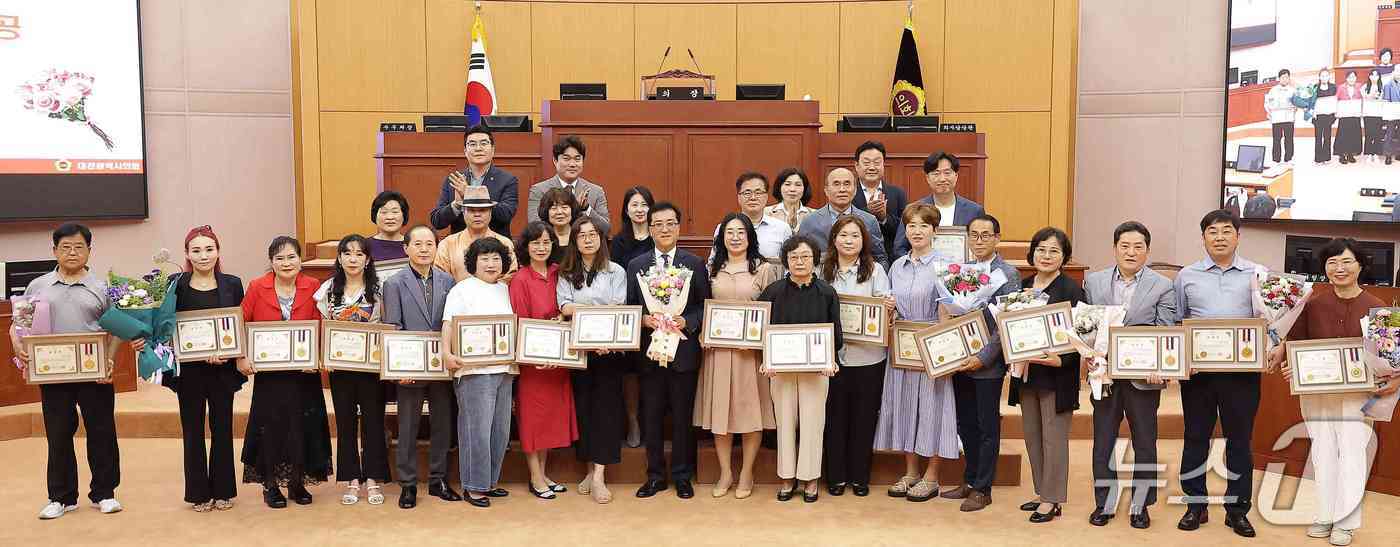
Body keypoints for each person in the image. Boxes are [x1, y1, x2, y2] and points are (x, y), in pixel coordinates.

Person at [1268, 238, 1394, 546]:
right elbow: (1296, 346)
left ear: (1361, 265)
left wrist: (1394, 378)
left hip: (1359, 397)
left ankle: (1346, 522)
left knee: (1352, 453)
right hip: (1317, 394)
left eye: (1346, 261)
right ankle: (1324, 514)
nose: (1339, 268)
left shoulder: (1379, 308)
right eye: (1332, 263)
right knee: (1322, 453)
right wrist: (1291, 365)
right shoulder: (1312, 305)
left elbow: (1391, 358)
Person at [11, 223, 127, 520]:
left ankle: (105, 493)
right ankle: (61, 497)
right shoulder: (38, 286)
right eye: (65, 247)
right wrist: (17, 345)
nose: (72, 252)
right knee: (58, 435)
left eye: (79, 247)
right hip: (54, 374)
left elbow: (116, 329)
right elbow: (20, 325)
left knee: (101, 432)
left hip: (94, 373)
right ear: (54, 251)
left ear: (89, 251)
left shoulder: (102, 288)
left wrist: (110, 361)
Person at [1082, 221, 1176, 530]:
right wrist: (1088, 354)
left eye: (1138, 247)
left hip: (1143, 378)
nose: (1131, 252)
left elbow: (1166, 330)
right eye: (1125, 246)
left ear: (1147, 251)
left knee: (1145, 441)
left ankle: (1140, 504)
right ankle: (1104, 503)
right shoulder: (1093, 282)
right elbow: (1087, 327)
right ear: (1115, 248)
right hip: (1104, 374)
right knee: (1103, 441)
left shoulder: (1162, 285)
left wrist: (1161, 366)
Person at [1174, 209, 1260, 538]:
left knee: (1239, 440)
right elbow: (1179, 321)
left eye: (1227, 230)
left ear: (1238, 236)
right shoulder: (1187, 276)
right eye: (1213, 231)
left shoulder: (1257, 274)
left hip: (1242, 374)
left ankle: (1237, 510)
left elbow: (1270, 321)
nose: (1220, 237)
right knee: (1195, 438)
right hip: (1199, 374)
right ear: (1204, 238)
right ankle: (1195, 505)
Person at [237, 236, 332, 508]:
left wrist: (318, 356)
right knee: (272, 426)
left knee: (303, 425)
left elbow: (322, 324)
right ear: (271, 262)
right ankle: (270, 484)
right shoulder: (257, 287)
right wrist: (242, 357)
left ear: (301, 259)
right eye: (279, 258)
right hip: (271, 375)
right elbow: (240, 323)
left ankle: (297, 481)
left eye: (291, 257)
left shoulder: (313, 286)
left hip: (304, 373)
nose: (286, 263)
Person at [625, 201, 712, 500]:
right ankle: (655, 476)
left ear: (678, 227)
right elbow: (628, 308)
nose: (664, 229)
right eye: (657, 224)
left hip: (683, 354)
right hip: (650, 354)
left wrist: (686, 320)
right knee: (651, 417)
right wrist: (642, 319)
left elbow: (704, 306)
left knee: (682, 417)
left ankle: (682, 475)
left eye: (669, 223)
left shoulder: (694, 264)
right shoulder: (637, 266)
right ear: (649, 229)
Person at [874, 204, 959, 502]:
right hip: (902, 348)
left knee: (933, 409)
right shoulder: (897, 266)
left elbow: (950, 311)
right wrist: (889, 312)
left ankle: (932, 476)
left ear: (935, 230)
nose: (917, 231)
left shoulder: (947, 265)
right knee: (905, 406)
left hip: (933, 346)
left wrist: (942, 348)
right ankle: (910, 471)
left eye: (924, 226)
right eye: (911, 226)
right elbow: (892, 307)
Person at [940, 213, 1020, 512]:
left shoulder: (1007, 274)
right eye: (974, 234)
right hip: (961, 360)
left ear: (998, 238)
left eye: (986, 235)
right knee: (966, 424)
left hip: (988, 363)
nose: (979, 240)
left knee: (987, 426)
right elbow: (956, 313)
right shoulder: (961, 271)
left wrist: (983, 357)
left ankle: (983, 488)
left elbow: (1005, 324)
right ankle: (970, 479)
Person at [698, 213, 780, 500]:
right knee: (720, 412)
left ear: (750, 237)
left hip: (750, 355)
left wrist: (759, 341)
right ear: (721, 237)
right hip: (718, 353)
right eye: (729, 232)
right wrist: (704, 335)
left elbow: (772, 312)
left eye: (740, 232)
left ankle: (746, 471)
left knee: (750, 413)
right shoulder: (712, 268)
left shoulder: (763, 269)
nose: (734, 237)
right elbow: (704, 307)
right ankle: (725, 472)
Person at [166, 225, 246, 513]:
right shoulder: (175, 284)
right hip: (189, 372)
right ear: (187, 254)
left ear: (218, 251)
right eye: (196, 250)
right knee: (192, 430)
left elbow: (239, 325)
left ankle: (224, 490)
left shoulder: (233, 284)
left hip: (222, 370)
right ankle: (199, 493)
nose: (203, 255)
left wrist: (229, 352)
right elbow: (166, 326)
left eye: (209, 249)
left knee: (222, 428)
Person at [1008, 227, 1084, 524]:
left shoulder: (1072, 290)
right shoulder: (1023, 288)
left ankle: (1053, 499)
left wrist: (1060, 359)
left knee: (1054, 438)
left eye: (1054, 251)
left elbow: (1082, 336)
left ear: (1064, 257)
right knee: (1033, 436)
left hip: (1056, 375)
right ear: (1032, 253)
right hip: (1027, 374)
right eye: (1041, 249)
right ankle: (1042, 491)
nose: (1047, 255)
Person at [758, 235, 842, 503]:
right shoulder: (772, 292)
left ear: (815, 260)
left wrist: (830, 359)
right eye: (793, 257)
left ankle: (810, 479)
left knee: (813, 425)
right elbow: (759, 331)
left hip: (818, 372)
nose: (799, 261)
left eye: (805, 256)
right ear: (786, 261)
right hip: (780, 373)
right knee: (784, 424)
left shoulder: (827, 292)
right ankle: (786, 478)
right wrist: (766, 358)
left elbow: (835, 334)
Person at [382, 225, 461, 508]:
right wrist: (398, 370)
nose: (424, 249)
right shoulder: (393, 283)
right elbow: (392, 328)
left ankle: (439, 479)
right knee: (408, 426)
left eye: (430, 243)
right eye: (418, 244)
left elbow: (451, 324)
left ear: (436, 248)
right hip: (409, 370)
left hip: (441, 368)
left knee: (442, 424)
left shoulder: (448, 281)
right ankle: (408, 484)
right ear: (406, 249)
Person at [441, 236, 518, 508]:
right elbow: (448, 325)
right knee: (477, 430)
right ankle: (474, 486)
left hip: (504, 369)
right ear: (473, 262)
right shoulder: (461, 289)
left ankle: (490, 481)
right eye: (484, 258)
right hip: (473, 371)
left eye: (496, 258)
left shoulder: (506, 289)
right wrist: (447, 354)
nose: (490, 263)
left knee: (500, 431)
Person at [558, 217, 630, 504]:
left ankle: (600, 475)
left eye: (593, 234)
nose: (588, 239)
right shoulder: (566, 272)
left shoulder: (616, 271)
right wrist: (594, 310)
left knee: (606, 412)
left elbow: (618, 307)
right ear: (574, 241)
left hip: (608, 352)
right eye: (582, 235)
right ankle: (588, 468)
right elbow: (564, 306)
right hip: (579, 352)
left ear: (602, 239)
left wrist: (586, 311)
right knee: (584, 411)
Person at [313, 234, 388, 507]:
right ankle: (352, 479)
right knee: (345, 423)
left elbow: (387, 327)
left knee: (373, 422)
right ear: (340, 258)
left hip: (371, 368)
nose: (353, 258)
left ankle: (373, 478)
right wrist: (324, 357)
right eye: (347, 253)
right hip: (341, 369)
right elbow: (321, 329)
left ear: (368, 259)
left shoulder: (380, 290)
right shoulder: (327, 291)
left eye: (359, 254)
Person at [821, 216, 892, 498]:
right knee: (834, 419)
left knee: (864, 420)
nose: (849, 241)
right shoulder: (821, 270)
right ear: (834, 239)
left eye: (855, 236)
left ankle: (860, 477)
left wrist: (888, 307)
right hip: (832, 358)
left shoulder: (875, 271)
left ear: (864, 241)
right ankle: (836, 476)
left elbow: (884, 314)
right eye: (843, 235)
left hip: (868, 358)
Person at [509, 221, 578, 499]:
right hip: (533, 363)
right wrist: (536, 355)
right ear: (526, 247)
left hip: (558, 361)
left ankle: (544, 473)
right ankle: (535, 477)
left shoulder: (560, 273)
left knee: (550, 419)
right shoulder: (520, 279)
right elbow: (519, 321)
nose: (541, 247)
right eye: (535, 242)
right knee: (533, 420)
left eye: (546, 242)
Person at [609, 185, 655, 448]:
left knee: (652, 372)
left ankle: (652, 422)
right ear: (626, 210)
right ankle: (633, 421)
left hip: (658, 316)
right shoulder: (619, 242)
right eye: (634, 205)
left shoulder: (659, 236)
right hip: (629, 315)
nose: (640, 210)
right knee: (630, 374)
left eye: (644, 204)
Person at [892, 152, 987, 258]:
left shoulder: (974, 211)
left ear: (956, 176)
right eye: (936, 173)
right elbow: (899, 248)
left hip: (962, 272)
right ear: (927, 178)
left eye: (947, 173)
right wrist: (916, 266)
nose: (942, 179)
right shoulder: (913, 209)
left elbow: (983, 245)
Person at [429, 124, 518, 236]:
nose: (478, 148)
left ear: (493, 149)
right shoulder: (454, 180)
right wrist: (456, 204)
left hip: (495, 247)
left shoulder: (507, 180)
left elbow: (506, 214)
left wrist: (471, 194)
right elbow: (437, 221)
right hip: (461, 247)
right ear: (465, 151)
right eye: (472, 144)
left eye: (484, 143)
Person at [797, 167, 888, 267]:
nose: (842, 189)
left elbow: (880, 258)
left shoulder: (869, 221)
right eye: (836, 184)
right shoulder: (810, 221)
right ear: (826, 190)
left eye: (847, 184)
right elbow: (800, 256)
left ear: (855, 190)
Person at [528, 135, 610, 234]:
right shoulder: (539, 190)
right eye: (566, 159)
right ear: (555, 161)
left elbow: (606, 229)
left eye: (577, 159)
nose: (572, 164)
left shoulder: (596, 191)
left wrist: (586, 208)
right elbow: (535, 228)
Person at [434, 186, 515, 282]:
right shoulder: (447, 244)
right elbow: (440, 279)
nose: (477, 215)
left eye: (482, 210)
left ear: (490, 212)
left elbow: (510, 276)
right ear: (463, 212)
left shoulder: (505, 243)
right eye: (472, 210)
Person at [713, 172, 791, 261]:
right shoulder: (724, 228)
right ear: (739, 197)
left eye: (758, 193)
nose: (753, 197)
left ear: (766, 196)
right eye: (747, 193)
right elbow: (714, 262)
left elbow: (788, 265)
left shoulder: (782, 228)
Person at [850, 141, 907, 259]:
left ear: (883, 165)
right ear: (856, 165)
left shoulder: (897, 193)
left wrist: (884, 218)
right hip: (855, 257)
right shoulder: (848, 192)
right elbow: (841, 223)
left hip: (889, 259)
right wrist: (867, 212)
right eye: (866, 163)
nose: (872, 167)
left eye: (877, 163)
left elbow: (904, 230)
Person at [539, 187, 581, 262]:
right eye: (554, 208)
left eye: (564, 207)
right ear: (546, 211)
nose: (559, 212)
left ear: (572, 210)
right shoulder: (539, 237)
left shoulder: (581, 236)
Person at [1265, 69, 1297, 166]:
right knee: (1276, 139)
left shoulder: (1293, 90)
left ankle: (1288, 159)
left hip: (1289, 118)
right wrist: (1270, 112)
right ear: (1279, 79)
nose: (1285, 79)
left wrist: (1294, 108)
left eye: (1286, 77)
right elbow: (1267, 104)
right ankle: (1276, 160)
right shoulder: (1273, 90)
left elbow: (1296, 104)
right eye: (1283, 77)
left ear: (1289, 78)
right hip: (1277, 118)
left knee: (1289, 139)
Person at [366, 190, 410, 262]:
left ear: (404, 215)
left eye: (395, 212)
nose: (389, 217)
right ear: (375, 215)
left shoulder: (412, 245)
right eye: (384, 212)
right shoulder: (364, 246)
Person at [1336, 71, 1364, 163]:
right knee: (1343, 134)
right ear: (1346, 78)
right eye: (1349, 77)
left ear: (1356, 78)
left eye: (1353, 77)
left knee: (1353, 134)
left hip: (1355, 114)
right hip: (1344, 115)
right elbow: (1336, 100)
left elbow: (1364, 98)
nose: (1351, 79)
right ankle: (1341, 154)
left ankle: (1350, 153)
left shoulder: (1360, 87)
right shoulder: (1341, 87)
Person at [1312, 69, 1338, 165]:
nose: (1324, 78)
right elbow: (1312, 102)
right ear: (1319, 77)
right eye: (1322, 76)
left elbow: (1335, 100)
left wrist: (1335, 113)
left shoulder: (1333, 87)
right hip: (1318, 116)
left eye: (1326, 75)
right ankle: (1318, 158)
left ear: (1329, 77)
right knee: (1318, 137)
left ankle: (1326, 157)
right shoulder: (1315, 87)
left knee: (1327, 136)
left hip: (1329, 115)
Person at [1363, 70, 1385, 163]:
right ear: (1369, 77)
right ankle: (1369, 153)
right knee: (1369, 134)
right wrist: (1371, 95)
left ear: (1379, 77)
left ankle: (1376, 153)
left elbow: (1383, 99)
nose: (1374, 77)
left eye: (1376, 75)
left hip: (1378, 114)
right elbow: (1365, 97)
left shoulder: (1382, 87)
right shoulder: (1365, 87)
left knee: (1377, 134)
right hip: (1368, 114)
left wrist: (1378, 96)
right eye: (1372, 75)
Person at [1382, 65, 1400, 165]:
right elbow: (1386, 100)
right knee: (1389, 134)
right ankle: (1388, 155)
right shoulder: (1388, 85)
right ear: (1393, 72)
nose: (1399, 73)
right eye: (1397, 71)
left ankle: (1398, 153)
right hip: (1391, 113)